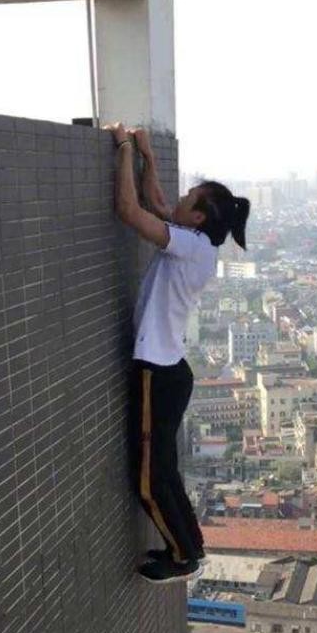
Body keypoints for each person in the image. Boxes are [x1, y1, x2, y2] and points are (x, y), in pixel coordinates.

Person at [105, 122, 250, 584]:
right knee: (163, 469)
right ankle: (191, 546)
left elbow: (130, 210)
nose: (180, 199)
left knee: (149, 481)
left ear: (199, 217)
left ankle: (183, 557)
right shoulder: (198, 245)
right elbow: (157, 203)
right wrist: (147, 156)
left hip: (159, 372)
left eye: (190, 198)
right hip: (169, 370)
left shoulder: (188, 246)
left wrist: (123, 147)